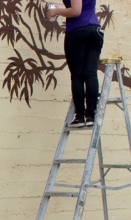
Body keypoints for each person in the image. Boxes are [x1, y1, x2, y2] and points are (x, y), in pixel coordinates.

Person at [47, 0, 104, 128]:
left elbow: (76, 10)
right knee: (90, 73)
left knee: (77, 75)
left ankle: (80, 116)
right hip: (94, 29)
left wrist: (56, 11)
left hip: (77, 30)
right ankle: (91, 115)